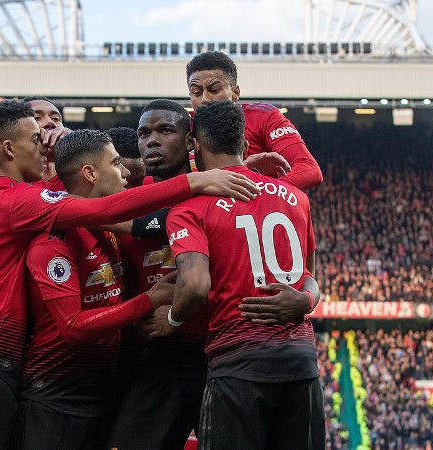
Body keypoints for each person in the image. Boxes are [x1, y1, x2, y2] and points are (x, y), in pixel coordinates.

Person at [0, 93, 259, 449]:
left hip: (43, 372)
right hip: (22, 375)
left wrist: (241, 166)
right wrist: (196, 183)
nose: (44, 141)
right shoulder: (33, 214)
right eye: (36, 133)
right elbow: (102, 211)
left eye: (54, 120)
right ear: (9, 148)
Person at [108, 99, 320, 450]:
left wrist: (172, 316)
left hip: (224, 351)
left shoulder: (200, 203)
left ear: (191, 143)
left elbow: (194, 282)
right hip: (165, 357)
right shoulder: (130, 196)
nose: (152, 141)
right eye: (143, 134)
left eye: (165, 130)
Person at [15, 129, 177, 449]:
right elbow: (73, 327)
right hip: (56, 398)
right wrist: (150, 300)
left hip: (100, 390)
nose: (126, 172)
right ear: (90, 173)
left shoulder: (107, 228)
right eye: (116, 163)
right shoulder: (54, 242)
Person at [186, 51, 323, 191]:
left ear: (235, 92)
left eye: (214, 90)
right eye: (196, 92)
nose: (204, 99)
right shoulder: (182, 127)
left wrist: (261, 191)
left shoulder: (262, 116)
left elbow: (309, 169)